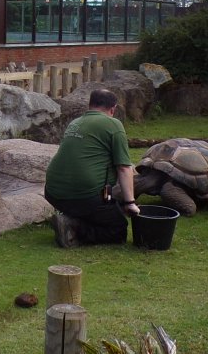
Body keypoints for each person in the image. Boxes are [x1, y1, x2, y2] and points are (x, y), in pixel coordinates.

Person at [43, 88, 140, 244]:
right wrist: (130, 203)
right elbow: (124, 167)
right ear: (113, 109)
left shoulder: (75, 122)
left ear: (90, 105)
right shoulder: (113, 124)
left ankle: (70, 216)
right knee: (118, 228)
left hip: (52, 192)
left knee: (103, 206)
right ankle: (73, 229)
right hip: (85, 195)